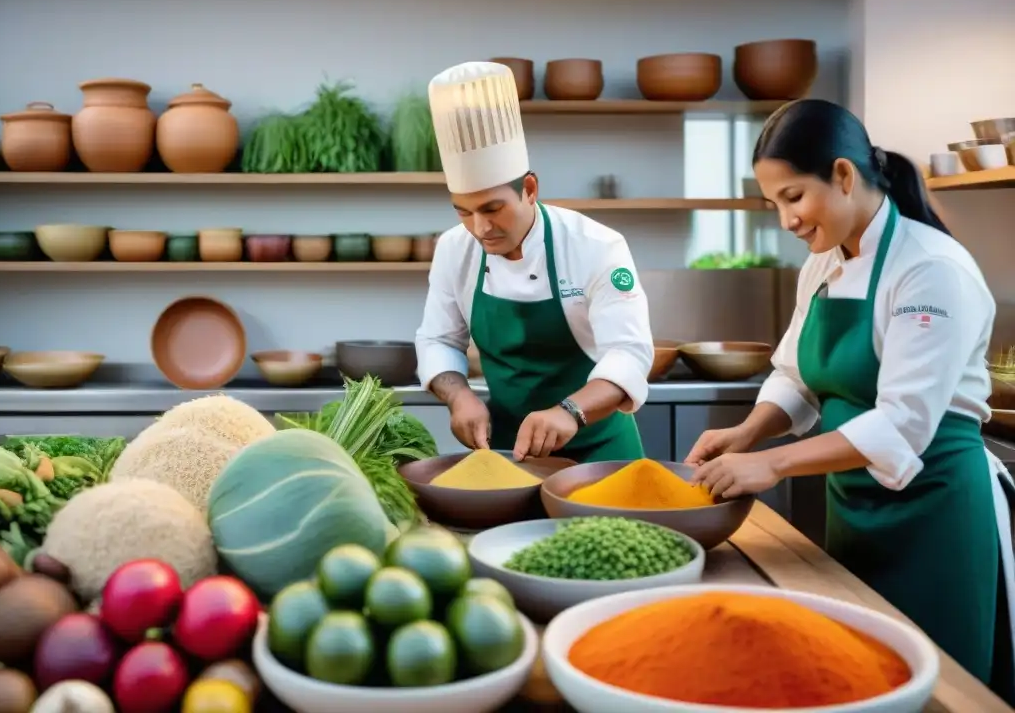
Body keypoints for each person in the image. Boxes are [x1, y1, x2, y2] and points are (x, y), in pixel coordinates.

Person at [685, 98, 1015, 699]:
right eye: (773, 204)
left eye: (793, 197)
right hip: (855, 508)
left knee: (943, 690)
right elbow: (794, 374)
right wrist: (748, 433)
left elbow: (900, 426)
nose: (785, 221)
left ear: (842, 175)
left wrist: (770, 464)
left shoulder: (931, 268)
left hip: (935, 511)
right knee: (859, 675)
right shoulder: (826, 261)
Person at [415, 60, 654, 463]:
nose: (480, 227)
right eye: (463, 211)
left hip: (601, 450)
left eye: (493, 208)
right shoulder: (454, 248)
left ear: (529, 188)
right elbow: (438, 339)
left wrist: (571, 412)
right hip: (510, 450)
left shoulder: (596, 245)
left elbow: (629, 353)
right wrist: (459, 398)